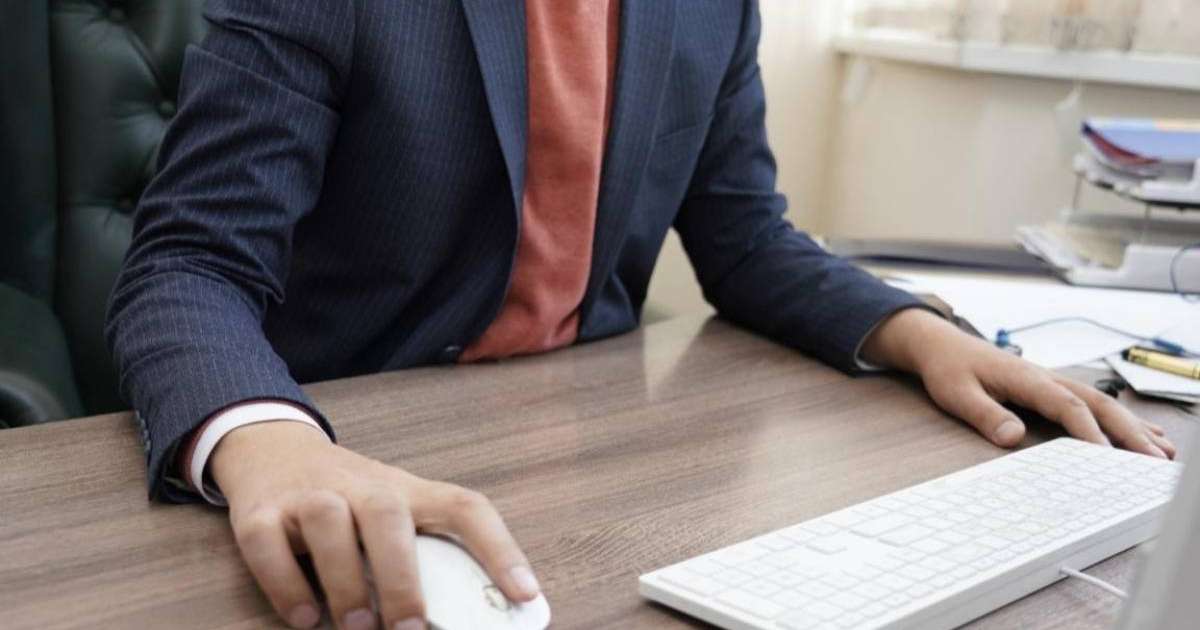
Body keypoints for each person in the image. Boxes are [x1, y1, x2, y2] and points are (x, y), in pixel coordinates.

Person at [104, 2, 1175, 629]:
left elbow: (747, 238)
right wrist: (268, 443)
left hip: (598, 465)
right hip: (357, 456)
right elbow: (189, 263)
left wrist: (920, 334)